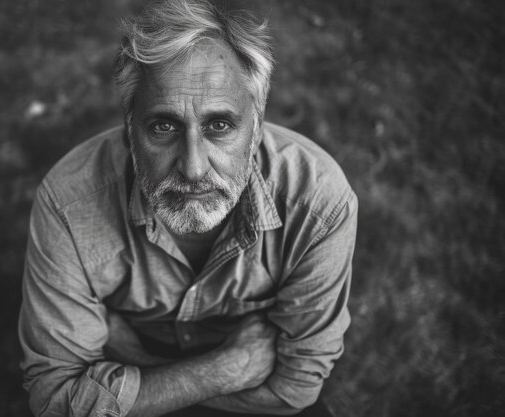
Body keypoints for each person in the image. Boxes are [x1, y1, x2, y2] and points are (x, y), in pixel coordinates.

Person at [18, 1, 358, 416]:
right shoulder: (68, 204)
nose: (193, 168)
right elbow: (56, 401)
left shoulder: (320, 204)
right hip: (244, 385)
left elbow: (293, 393)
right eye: (164, 127)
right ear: (129, 129)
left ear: (257, 121)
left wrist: (130, 357)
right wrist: (222, 371)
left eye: (219, 126)